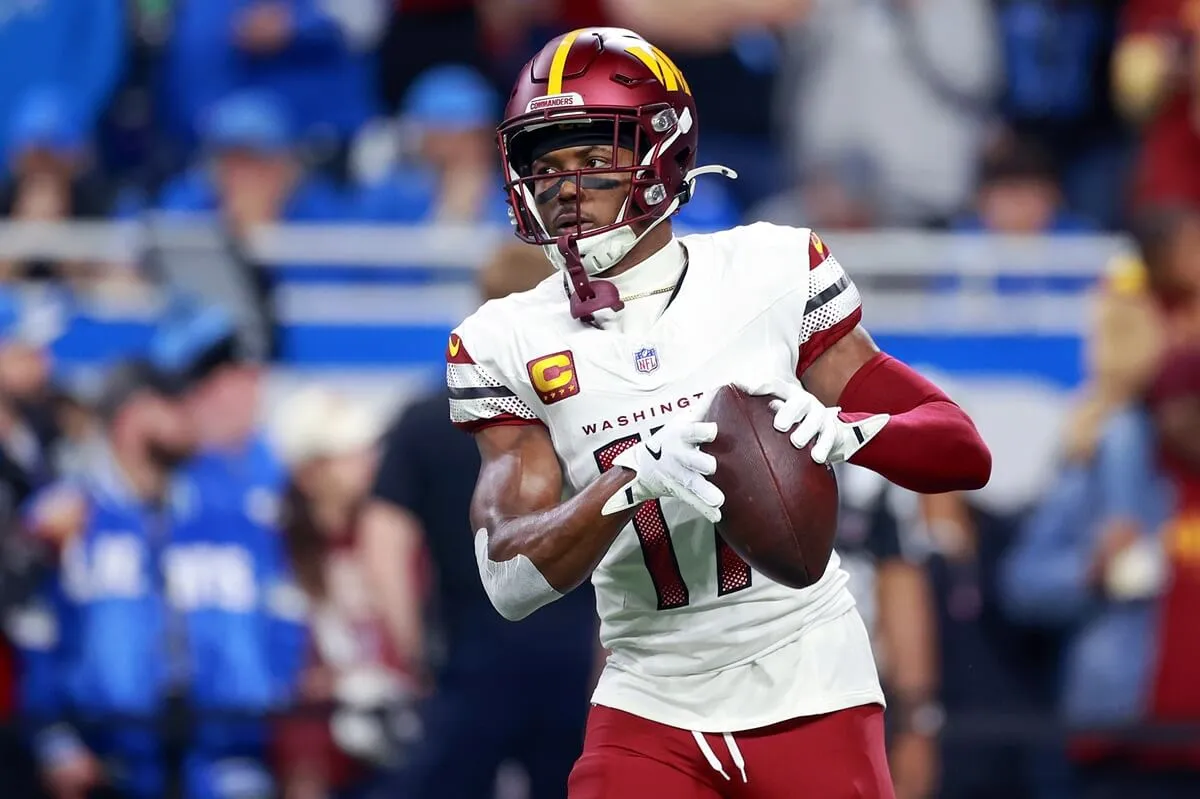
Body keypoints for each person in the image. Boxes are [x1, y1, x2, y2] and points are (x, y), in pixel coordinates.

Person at [447, 27, 992, 798]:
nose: (566, 187)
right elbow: (508, 576)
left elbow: (964, 450)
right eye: (547, 163)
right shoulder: (504, 336)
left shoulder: (768, 270)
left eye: (592, 155)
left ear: (660, 148)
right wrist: (629, 480)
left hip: (809, 680)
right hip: (650, 696)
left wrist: (855, 433)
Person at [367, 240, 598, 798]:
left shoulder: (427, 418)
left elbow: (383, 539)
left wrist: (412, 647)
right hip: (572, 655)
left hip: (472, 655)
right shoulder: (590, 417)